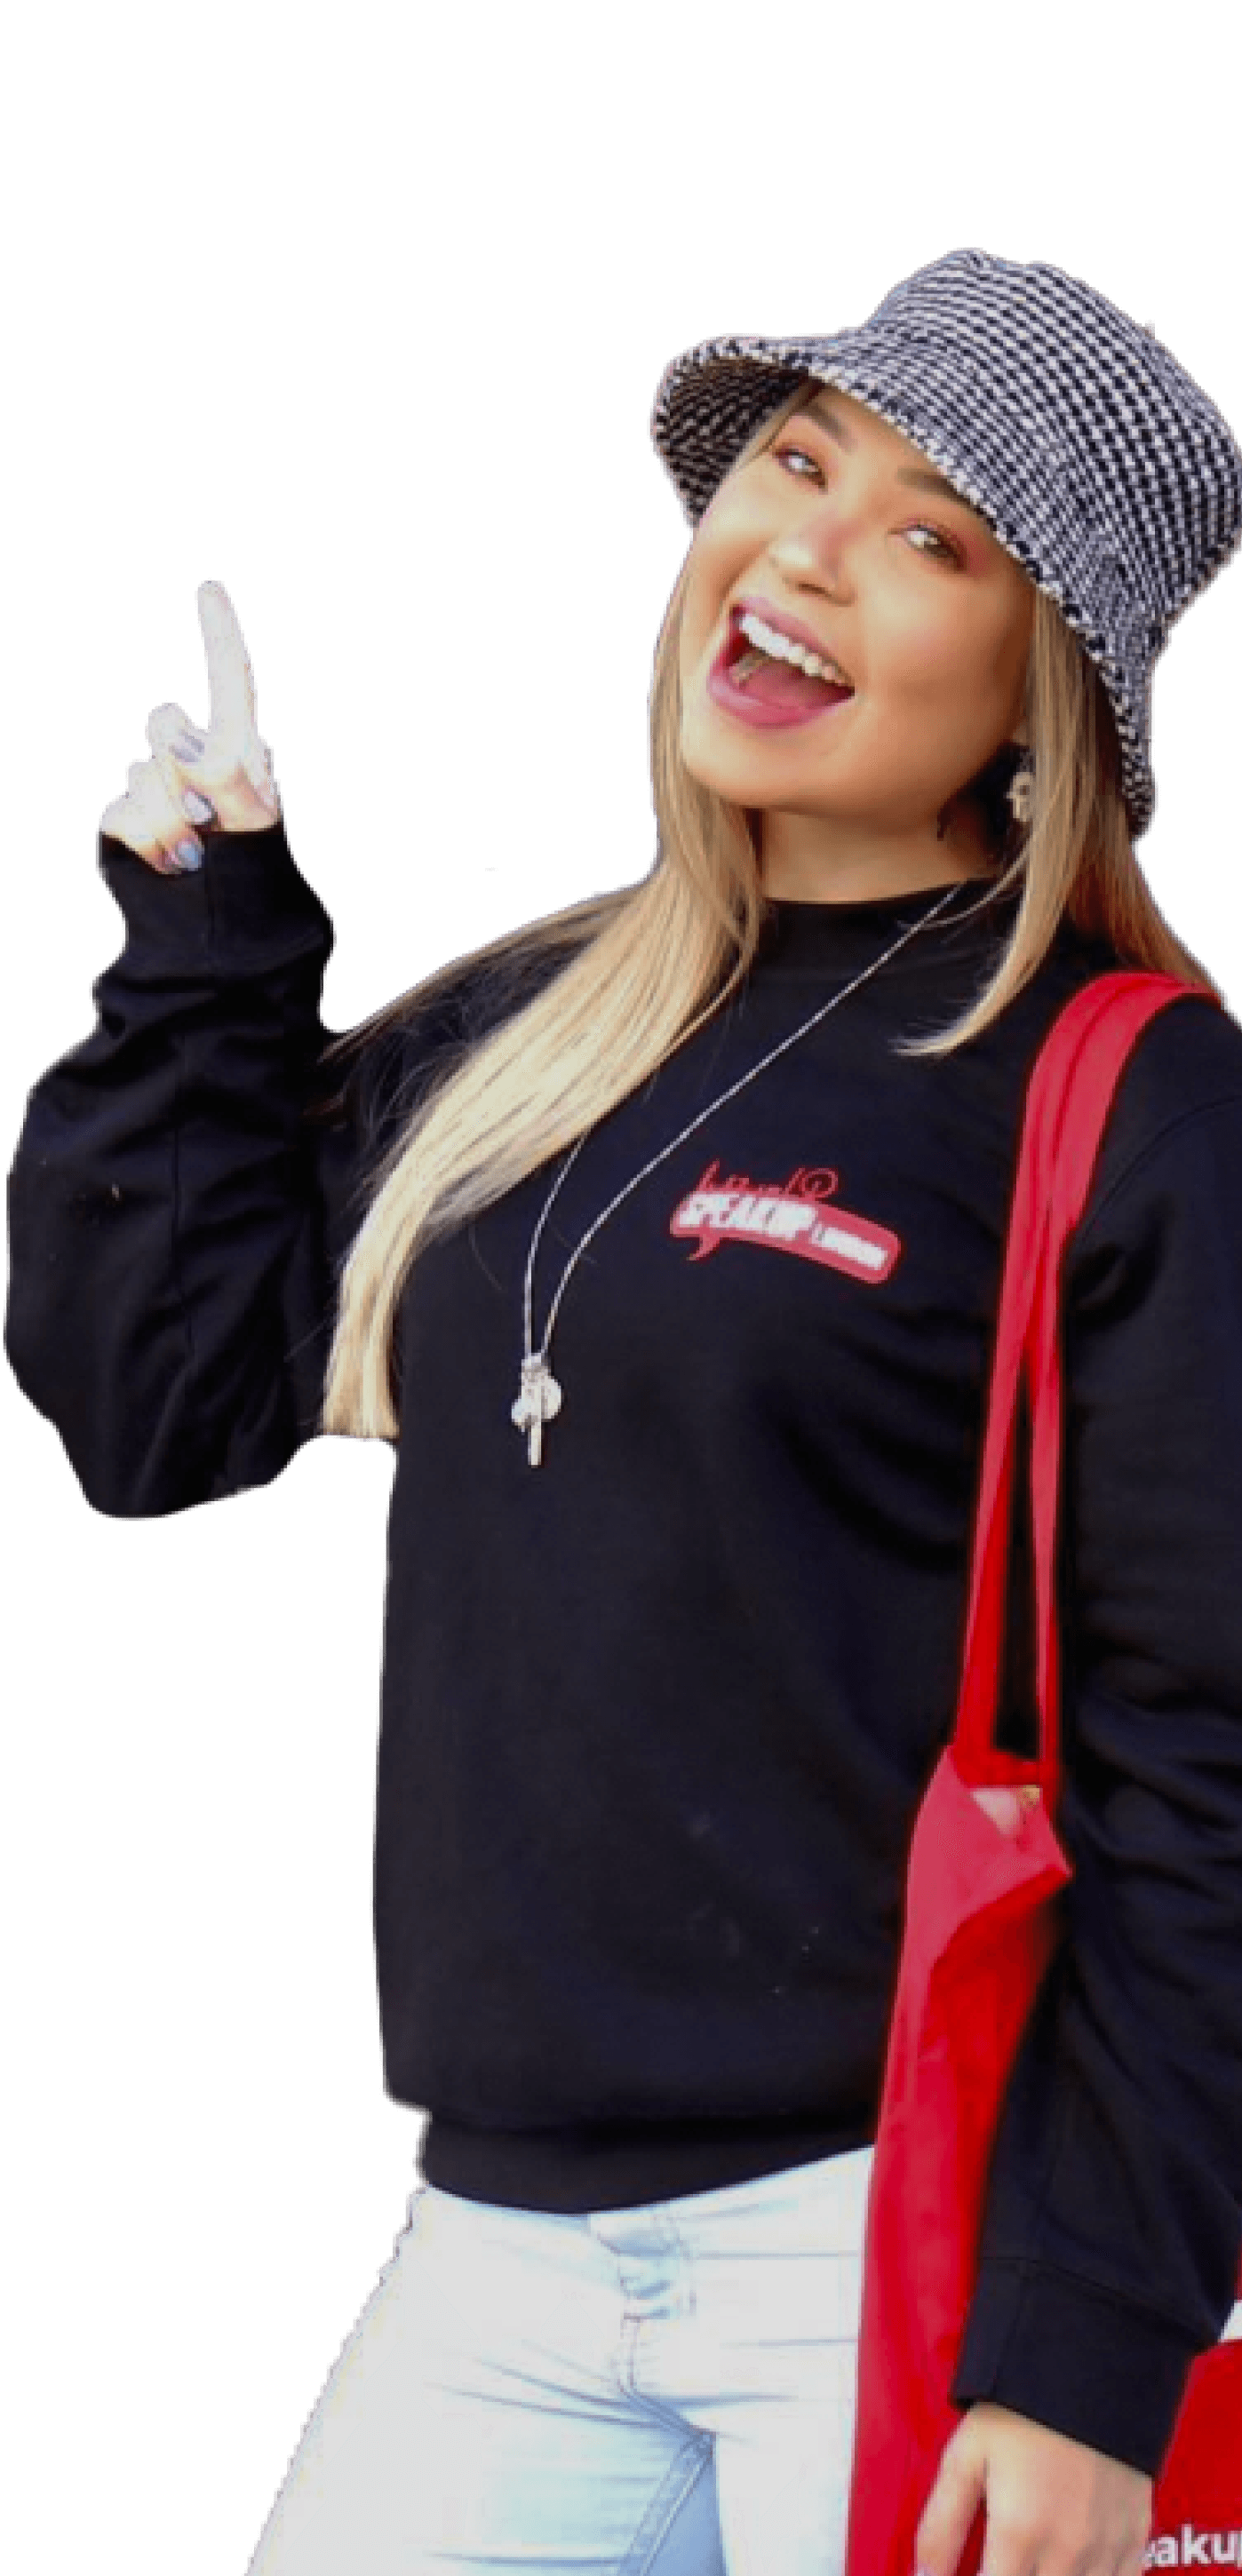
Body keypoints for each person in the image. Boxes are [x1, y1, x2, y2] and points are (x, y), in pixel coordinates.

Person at [6, 246, 1242, 2576]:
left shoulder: (1129, 1098)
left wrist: (1091, 2352)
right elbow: (156, 1401)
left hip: (898, 2246)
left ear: (1037, 692)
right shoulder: (538, 1024)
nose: (807, 546)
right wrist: (205, 962)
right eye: (794, 463)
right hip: (495, 2256)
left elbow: (1207, 1759)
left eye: (930, 535)